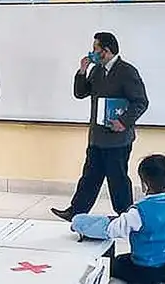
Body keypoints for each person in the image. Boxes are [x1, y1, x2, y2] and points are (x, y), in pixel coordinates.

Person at [72, 127, 165, 284]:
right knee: (126, 260)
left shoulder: (139, 212)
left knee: (115, 263)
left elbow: (109, 229)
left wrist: (78, 222)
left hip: (146, 273)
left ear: (144, 184)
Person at [52, 32, 149, 222]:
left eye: (96, 48)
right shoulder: (96, 70)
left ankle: (125, 216)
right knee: (89, 176)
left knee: (118, 179)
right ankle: (76, 211)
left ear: (106, 51)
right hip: (97, 137)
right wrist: (82, 71)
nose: (93, 52)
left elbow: (141, 102)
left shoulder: (126, 71)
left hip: (118, 138)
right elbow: (80, 93)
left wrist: (123, 122)